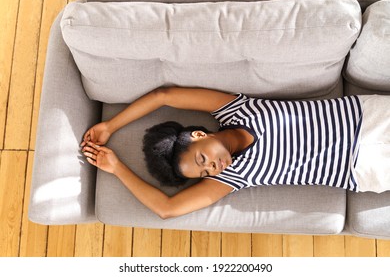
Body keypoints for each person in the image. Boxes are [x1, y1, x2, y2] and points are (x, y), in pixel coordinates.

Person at [81, 87, 390, 219]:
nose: (212, 168)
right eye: (205, 173)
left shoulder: (238, 109)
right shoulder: (232, 177)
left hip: (369, 118)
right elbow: (167, 209)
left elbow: (166, 95)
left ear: (201, 135)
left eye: (203, 159)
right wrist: (117, 167)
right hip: (364, 167)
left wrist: (111, 125)